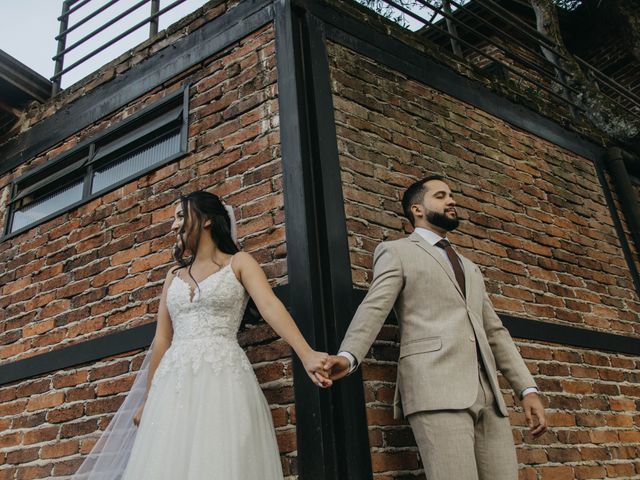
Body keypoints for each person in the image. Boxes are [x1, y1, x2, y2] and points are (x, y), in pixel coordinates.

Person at [73, 191, 331, 480]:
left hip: (224, 381)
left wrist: (307, 353)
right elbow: (162, 339)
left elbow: (270, 306)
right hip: (173, 386)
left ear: (207, 219)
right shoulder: (173, 276)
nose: (174, 226)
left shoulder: (240, 263)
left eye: (181, 216)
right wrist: (148, 398)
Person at [324, 176, 547, 480]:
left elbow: (495, 331)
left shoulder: (470, 267)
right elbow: (375, 307)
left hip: (489, 397)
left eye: (451, 195)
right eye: (441, 196)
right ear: (417, 209)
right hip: (435, 387)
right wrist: (349, 357)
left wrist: (527, 388)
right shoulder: (397, 252)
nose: (451, 201)